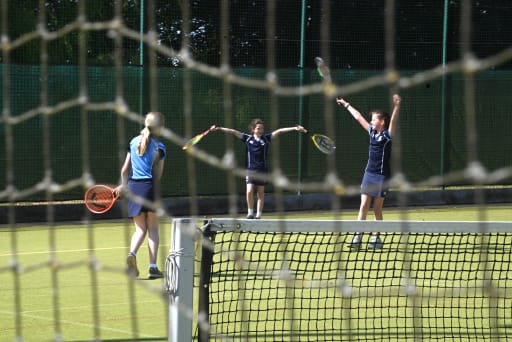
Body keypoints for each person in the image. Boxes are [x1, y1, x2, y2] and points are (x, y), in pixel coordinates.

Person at [336, 94, 401, 249]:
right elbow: (358, 117)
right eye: (371, 120)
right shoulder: (371, 132)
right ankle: (357, 237)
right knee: (364, 205)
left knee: (377, 209)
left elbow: (393, 121)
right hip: (369, 174)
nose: (371, 122)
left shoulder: (387, 136)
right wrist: (346, 104)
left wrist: (397, 106)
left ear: (382, 122)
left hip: (382, 177)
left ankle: (376, 238)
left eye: (374, 119)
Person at [210, 119, 306, 219]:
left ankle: (258, 214)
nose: (260, 130)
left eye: (262, 128)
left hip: (262, 171)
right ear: (253, 129)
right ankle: (250, 213)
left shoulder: (266, 138)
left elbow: (279, 131)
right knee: (249, 191)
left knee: (260, 194)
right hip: (250, 170)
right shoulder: (247, 138)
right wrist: (219, 128)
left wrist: (295, 128)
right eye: (258, 128)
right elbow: (233, 132)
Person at [114, 112, 166, 279]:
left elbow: (124, 170)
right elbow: (158, 174)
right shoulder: (160, 146)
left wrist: (124, 185)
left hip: (133, 188)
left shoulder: (133, 141)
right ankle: (153, 267)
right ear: (160, 128)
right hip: (150, 188)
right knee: (153, 229)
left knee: (140, 230)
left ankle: (132, 254)